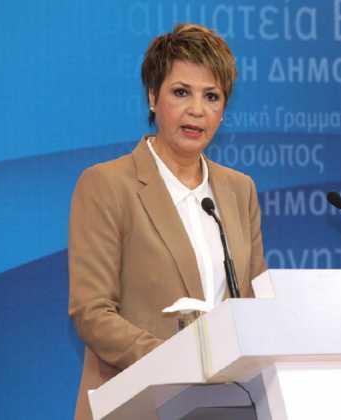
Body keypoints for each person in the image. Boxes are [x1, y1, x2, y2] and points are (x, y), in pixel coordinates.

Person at [68, 23, 266, 420]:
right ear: (152, 96)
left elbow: (255, 304)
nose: (197, 110)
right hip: (137, 404)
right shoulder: (107, 184)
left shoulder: (239, 189)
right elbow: (92, 312)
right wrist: (177, 362)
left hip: (227, 406)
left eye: (211, 96)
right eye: (181, 92)